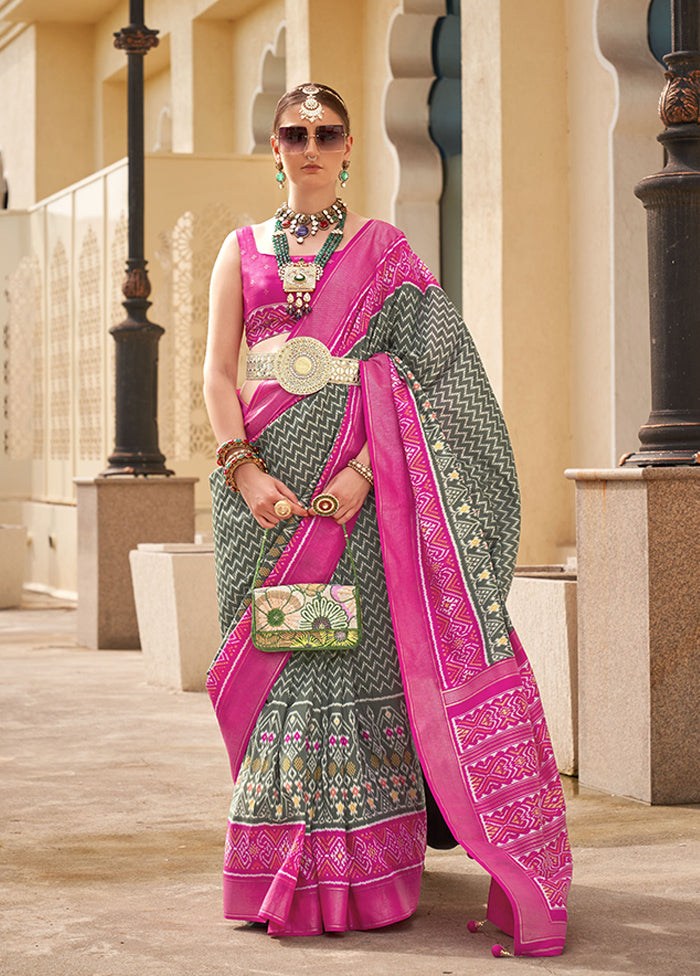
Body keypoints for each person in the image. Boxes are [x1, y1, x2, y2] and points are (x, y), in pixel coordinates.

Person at [203, 83, 572, 956]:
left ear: (348, 148)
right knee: (280, 664)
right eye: (295, 133)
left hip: (356, 501)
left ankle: (360, 878)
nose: (310, 146)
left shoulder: (384, 252)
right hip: (262, 498)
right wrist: (243, 468)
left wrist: (368, 475)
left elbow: (437, 377)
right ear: (274, 146)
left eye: (326, 133)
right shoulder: (239, 249)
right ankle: (279, 863)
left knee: (340, 667)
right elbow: (219, 373)